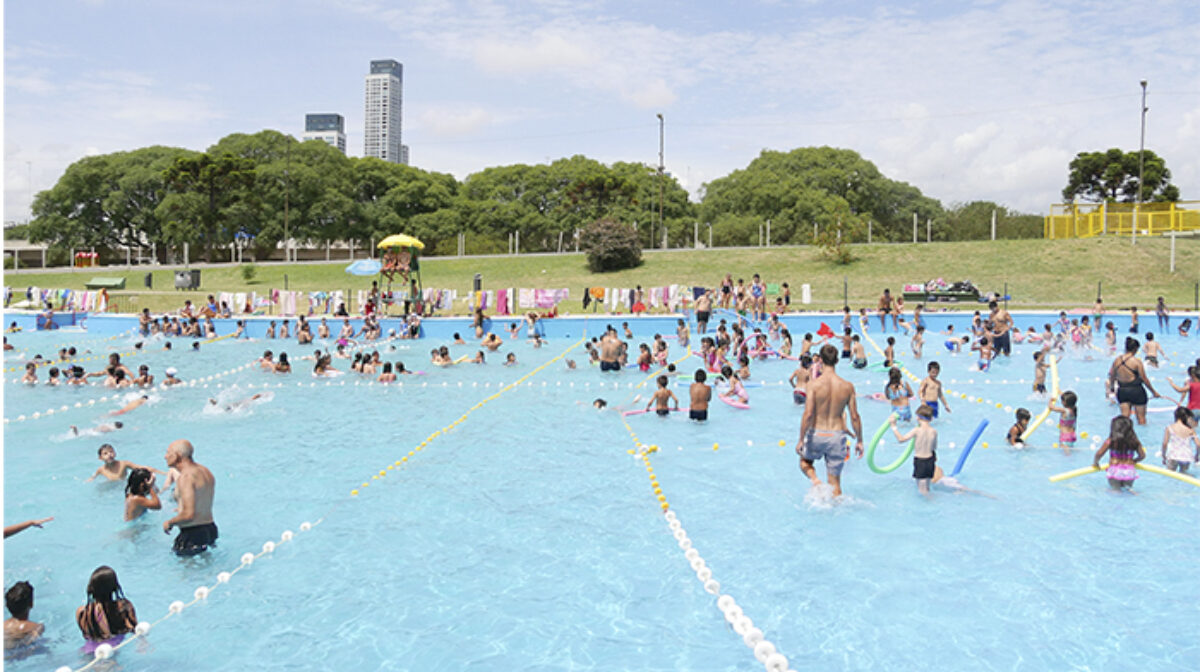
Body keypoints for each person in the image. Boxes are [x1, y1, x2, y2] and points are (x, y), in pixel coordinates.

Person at [796, 345, 863, 497]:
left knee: (804, 463)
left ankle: (816, 482)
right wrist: (859, 440)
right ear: (837, 360)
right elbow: (854, 416)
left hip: (816, 433)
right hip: (837, 435)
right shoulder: (847, 386)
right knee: (835, 483)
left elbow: (808, 414)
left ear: (820, 360)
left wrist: (801, 439)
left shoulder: (813, 385)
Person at [162, 439, 218, 556]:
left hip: (193, 534)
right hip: (210, 529)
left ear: (178, 455)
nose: (165, 456)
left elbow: (189, 515)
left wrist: (169, 523)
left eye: (168, 453)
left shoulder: (186, 477)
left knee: (188, 573)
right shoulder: (205, 471)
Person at [75, 566, 137, 648]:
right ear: (114, 587)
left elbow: (86, 636)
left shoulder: (82, 612)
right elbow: (135, 630)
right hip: (114, 648)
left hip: (89, 649)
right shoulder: (122, 607)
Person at [1108, 337, 1160, 425]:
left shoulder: (1117, 360)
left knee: (1125, 419)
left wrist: (1112, 388)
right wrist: (1154, 392)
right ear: (1135, 349)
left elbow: (1112, 376)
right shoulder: (1136, 362)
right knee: (1141, 419)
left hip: (1122, 390)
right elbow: (1144, 379)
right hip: (1136, 391)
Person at [889, 404, 937, 495]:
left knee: (922, 491)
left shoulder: (917, 430)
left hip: (920, 461)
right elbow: (934, 447)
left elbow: (901, 439)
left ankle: (932, 503)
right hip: (931, 460)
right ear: (931, 419)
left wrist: (893, 426)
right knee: (927, 488)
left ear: (918, 417)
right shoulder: (934, 431)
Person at [1093, 415, 1145, 491]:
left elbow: (1099, 454)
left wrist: (1096, 463)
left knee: (1115, 491)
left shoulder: (1110, 441)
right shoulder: (1134, 441)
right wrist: (1134, 461)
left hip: (1115, 470)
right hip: (1129, 471)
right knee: (1128, 490)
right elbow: (1142, 456)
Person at [87, 444, 162, 482]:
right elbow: (93, 478)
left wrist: (161, 473)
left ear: (115, 453)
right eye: (105, 453)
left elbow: (142, 468)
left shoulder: (124, 464)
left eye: (111, 451)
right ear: (100, 458)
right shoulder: (101, 470)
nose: (109, 454)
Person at [4, 581, 44, 651]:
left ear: (7, 606)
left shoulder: (3, 625)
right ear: (31, 604)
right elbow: (31, 643)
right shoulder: (36, 627)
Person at [1162, 406, 1200, 473]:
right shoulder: (1190, 430)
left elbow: (1165, 444)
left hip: (1173, 455)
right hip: (1186, 456)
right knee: (1184, 477)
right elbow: (1198, 444)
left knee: (1170, 476)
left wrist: (1164, 455)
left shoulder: (1170, 428)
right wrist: (1197, 456)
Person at [1048, 391, 1078, 455]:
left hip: (1065, 436)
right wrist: (1059, 392)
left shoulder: (1064, 410)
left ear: (1064, 402)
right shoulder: (1074, 409)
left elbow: (1051, 407)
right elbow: (1069, 399)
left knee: (1066, 454)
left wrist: (1050, 400)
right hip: (1072, 435)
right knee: (1071, 451)